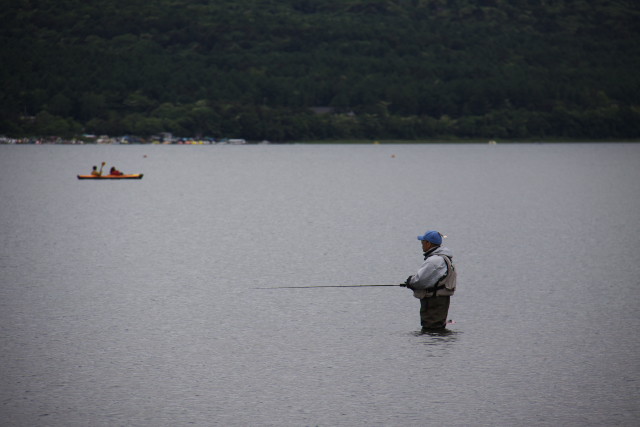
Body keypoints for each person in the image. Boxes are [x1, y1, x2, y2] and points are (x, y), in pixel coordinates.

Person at [401, 230, 457, 331]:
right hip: (441, 299)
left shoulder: (434, 261)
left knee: (431, 329)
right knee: (437, 328)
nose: (422, 245)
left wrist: (410, 282)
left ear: (428, 243)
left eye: (423, 242)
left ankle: (432, 346)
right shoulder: (443, 258)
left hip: (434, 301)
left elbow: (419, 281)